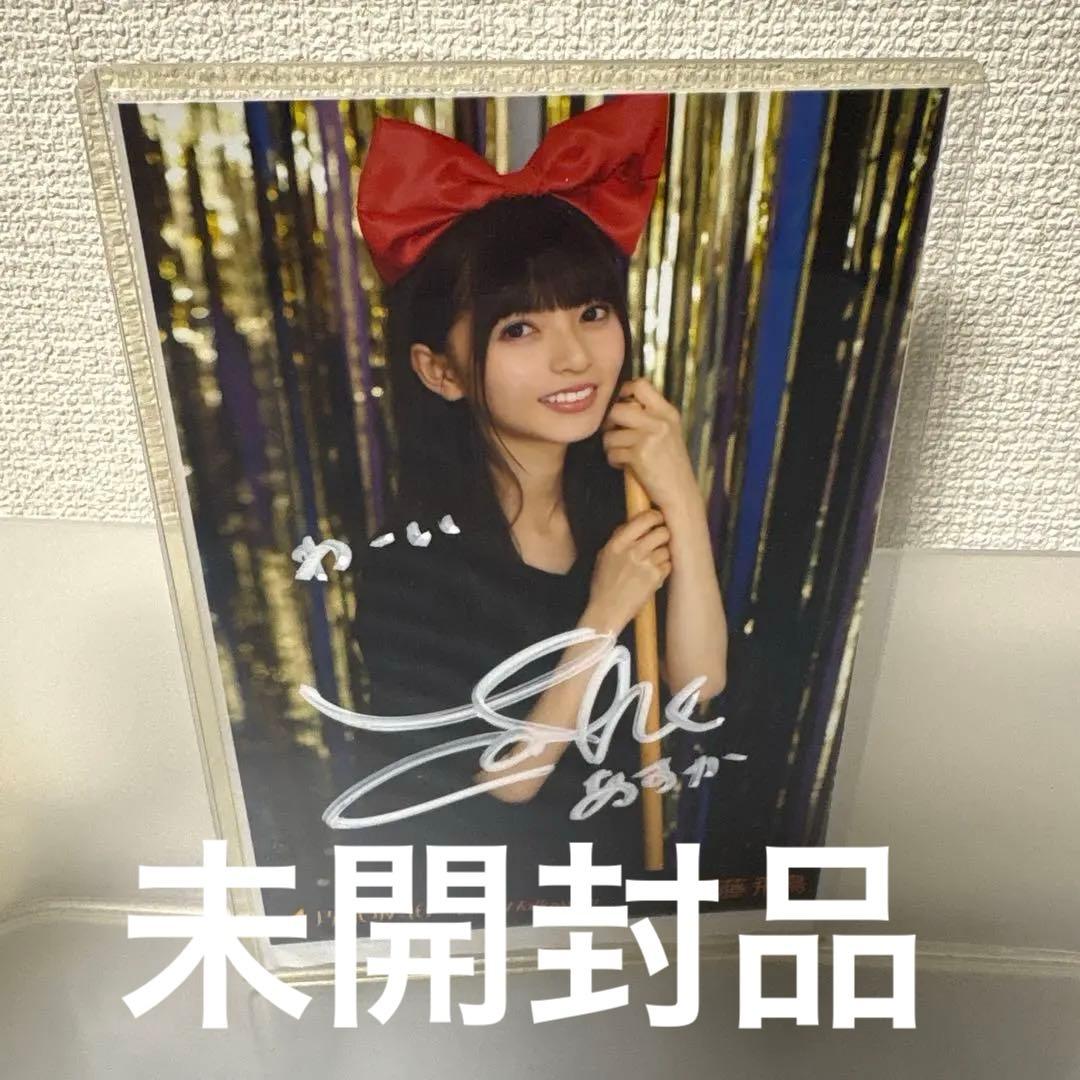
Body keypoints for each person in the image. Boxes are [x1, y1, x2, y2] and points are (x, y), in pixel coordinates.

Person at [344, 95, 728, 920]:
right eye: (519, 329)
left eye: (592, 313)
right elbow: (504, 781)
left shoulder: (615, 504)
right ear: (440, 370)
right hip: (487, 917)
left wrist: (679, 494)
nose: (575, 356)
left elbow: (697, 688)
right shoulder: (410, 565)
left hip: (619, 893)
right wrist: (603, 614)